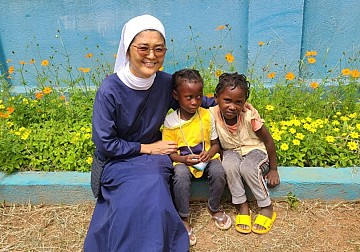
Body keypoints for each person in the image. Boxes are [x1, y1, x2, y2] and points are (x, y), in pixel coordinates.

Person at [84, 15, 214, 251]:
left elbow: (197, 100)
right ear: (127, 48)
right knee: (128, 203)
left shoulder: (166, 83)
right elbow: (105, 143)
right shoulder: (109, 90)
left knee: (153, 188)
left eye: (159, 49)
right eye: (143, 48)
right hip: (118, 162)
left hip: (154, 161)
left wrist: (231, 105)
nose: (152, 56)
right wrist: (147, 148)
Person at [162, 69, 232, 246]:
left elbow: (216, 143)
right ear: (176, 95)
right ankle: (184, 217)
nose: (195, 102)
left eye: (199, 96)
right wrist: (183, 160)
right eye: (189, 97)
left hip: (205, 158)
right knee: (180, 175)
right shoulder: (171, 121)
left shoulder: (207, 115)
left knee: (218, 170)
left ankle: (214, 208)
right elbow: (170, 152)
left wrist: (210, 153)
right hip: (183, 161)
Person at [210, 72, 280, 234]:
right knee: (228, 165)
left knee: (247, 168)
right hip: (231, 151)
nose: (232, 106)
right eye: (227, 100)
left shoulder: (250, 116)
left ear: (244, 103)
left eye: (239, 102)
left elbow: (269, 141)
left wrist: (274, 169)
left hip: (255, 151)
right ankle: (242, 205)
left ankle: (266, 206)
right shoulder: (211, 114)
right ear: (216, 98)